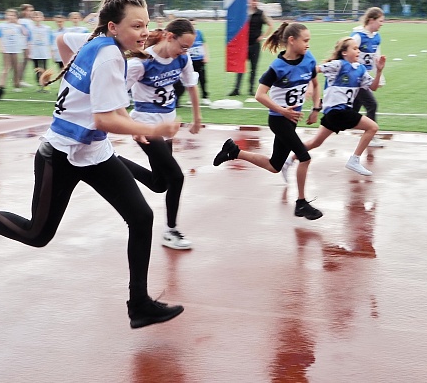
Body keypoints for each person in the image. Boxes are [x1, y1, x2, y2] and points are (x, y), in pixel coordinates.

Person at [0, 0, 185, 329]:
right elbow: (103, 120)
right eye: (136, 26)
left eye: (146, 24)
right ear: (113, 27)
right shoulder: (110, 57)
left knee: (141, 217)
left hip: (94, 152)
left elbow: (64, 42)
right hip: (60, 154)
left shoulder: (94, 41)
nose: (145, 32)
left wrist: (82, 87)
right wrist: (150, 128)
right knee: (37, 234)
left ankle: (139, 305)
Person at [213, 22, 323, 220]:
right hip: (279, 120)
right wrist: (282, 111)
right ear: (292, 40)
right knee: (305, 157)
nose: (308, 44)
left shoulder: (309, 59)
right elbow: (260, 94)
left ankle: (233, 151)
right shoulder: (277, 67)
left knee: (274, 166)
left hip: (291, 120)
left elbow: (315, 84)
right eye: (305, 40)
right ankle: (301, 203)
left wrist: (316, 108)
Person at [121, 18, 202, 250]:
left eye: (188, 48)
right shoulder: (141, 63)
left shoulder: (182, 58)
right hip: (146, 124)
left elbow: (191, 86)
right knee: (176, 177)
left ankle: (115, 162)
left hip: (167, 126)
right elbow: (115, 96)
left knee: (160, 184)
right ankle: (171, 231)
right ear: (169, 36)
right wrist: (132, 127)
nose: (184, 51)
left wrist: (197, 117)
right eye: (183, 46)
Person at [295, 36, 385, 176]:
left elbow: (373, 87)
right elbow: (315, 70)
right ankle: (354, 160)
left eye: (358, 48)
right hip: (338, 111)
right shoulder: (338, 65)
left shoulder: (360, 69)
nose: (358, 51)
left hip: (334, 114)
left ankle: (289, 159)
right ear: (344, 52)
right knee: (372, 127)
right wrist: (308, 84)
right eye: (354, 48)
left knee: (315, 142)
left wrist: (379, 71)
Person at [351, 7, 386, 148]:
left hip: (365, 77)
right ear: (371, 20)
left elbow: (377, 57)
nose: (382, 24)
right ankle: (370, 136)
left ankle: (330, 116)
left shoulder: (376, 37)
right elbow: (346, 52)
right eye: (380, 21)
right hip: (356, 78)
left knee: (353, 110)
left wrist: (379, 77)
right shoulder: (357, 36)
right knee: (372, 105)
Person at [228, 0, 274, 96]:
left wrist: (263, 36)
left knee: (253, 68)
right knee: (240, 67)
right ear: (249, 1)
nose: (254, 2)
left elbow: (271, 25)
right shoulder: (243, 13)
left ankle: (251, 89)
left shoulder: (260, 13)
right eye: (253, 0)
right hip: (243, 45)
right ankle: (236, 89)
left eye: (256, 0)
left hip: (255, 45)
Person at [0, 8, 28, 92]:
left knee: (16, 68)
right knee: (6, 67)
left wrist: (18, 23)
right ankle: (1, 85)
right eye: (9, 15)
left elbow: (25, 33)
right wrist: (1, 47)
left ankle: (16, 85)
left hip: (15, 49)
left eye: (13, 15)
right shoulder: (1, 26)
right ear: (6, 16)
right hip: (6, 49)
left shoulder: (18, 26)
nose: (11, 17)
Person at [29, 11, 53, 91]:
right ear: (33, 19)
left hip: (44, 51)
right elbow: (29, 40)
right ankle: (39, 84)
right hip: (35, 51)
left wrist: (51, 50)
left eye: (39, 17)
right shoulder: (31, 28)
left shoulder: (47, 28)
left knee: (44, 68)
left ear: (42, 18)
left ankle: (45, 84)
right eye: (35, 17)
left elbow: (50, 40)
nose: (37, 18)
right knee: (36, 69)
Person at [188, 18, 211, 105]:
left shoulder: (199, 33)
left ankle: (205, 96)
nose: (193, 26)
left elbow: (204, 44)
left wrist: (206, 55)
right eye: (191, 25)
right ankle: (192, 98)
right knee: (191, 80)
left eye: (194, 24)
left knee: (202, 79)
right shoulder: (186, 35)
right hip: (190, 61)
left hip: (199, 59)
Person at [18, 4, 35, 87]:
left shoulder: (30, 21)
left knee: (25, 62)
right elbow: (26, 34)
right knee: (22, 62)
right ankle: (19, 80)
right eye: (29, 10)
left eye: (31, 10)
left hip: (28, 44)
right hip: (23, 45)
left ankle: (20, 80)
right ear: (24, 11)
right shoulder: (21, 21)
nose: (31, 12)